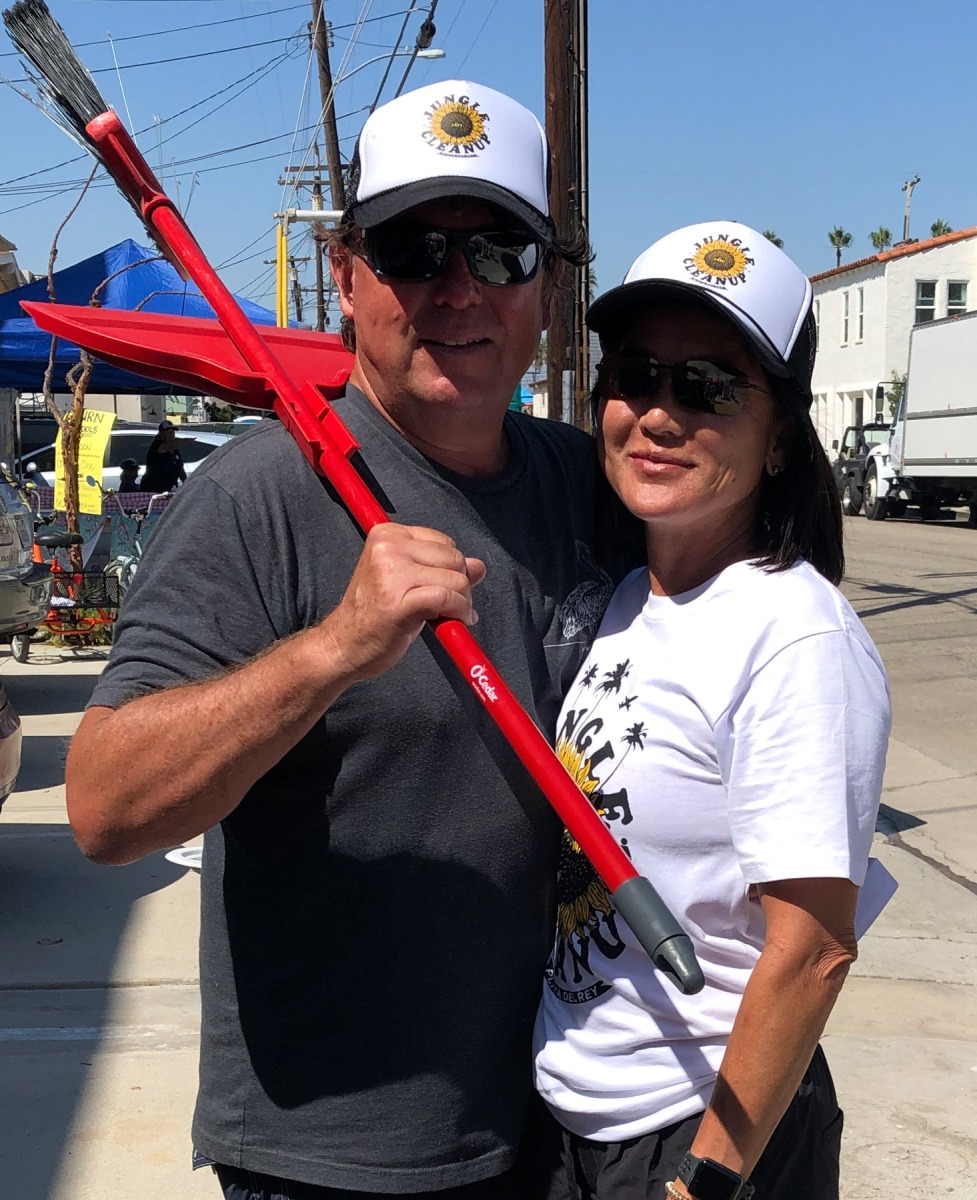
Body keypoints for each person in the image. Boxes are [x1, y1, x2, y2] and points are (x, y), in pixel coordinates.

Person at [65, 80, 622, 1200]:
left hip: (559, 1123)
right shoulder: (257, 499)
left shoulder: (589, 483)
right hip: (337, 1154)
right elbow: (105, 807)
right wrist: (332, 649)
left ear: (546, 288)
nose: (457, 288)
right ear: (346, 275)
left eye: (499, 251)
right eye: (413, 250)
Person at [533, 222, 892, 1200]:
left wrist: (707, 1180)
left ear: (777, 439)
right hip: (572, 1119)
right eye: (634, 376)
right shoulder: (625, 599)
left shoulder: (793, 636)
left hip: (699, 1132)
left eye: (707, 386)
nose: (657, 413)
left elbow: (812, 948)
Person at [141, 418, 188, 493]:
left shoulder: (175, 450)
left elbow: (180, 470)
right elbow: (165, 447)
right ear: (161, 433)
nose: (171, 434)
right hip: (154, 489)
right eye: (168, 432)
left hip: (170, 488)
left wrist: (187, 484)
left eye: (173, 432)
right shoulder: (156, 445)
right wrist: (185, 440)